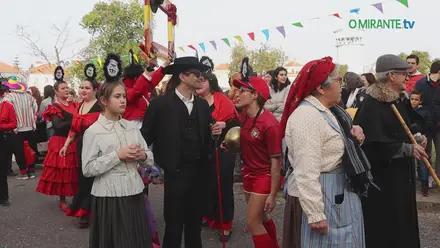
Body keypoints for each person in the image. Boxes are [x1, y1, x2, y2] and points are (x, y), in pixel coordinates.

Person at [280, 57, 373, 248]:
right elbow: (305, 170)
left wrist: (354, 137)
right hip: (321, 194)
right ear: (321, 88)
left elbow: (333, 147)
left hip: (336, 192)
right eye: (339, 80)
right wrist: (315, 214)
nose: (342, 85)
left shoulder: (329, 111)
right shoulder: (306, 116)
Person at [141, 56, 216, 248]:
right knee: (173, 225)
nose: (202, 78)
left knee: (194, 225)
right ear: (183, 76)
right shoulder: (160, 105)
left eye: (203, 74)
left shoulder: (202, 105)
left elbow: (208, 139)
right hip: (174, 173)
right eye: (197, 74)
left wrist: (217, 132)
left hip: (198, 173)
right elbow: (144, 138)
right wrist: (145, 164)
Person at [354, 54, 426, 248]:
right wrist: (406, 149)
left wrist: (418, 136)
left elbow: (411, 123)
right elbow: (372, 144)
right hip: (384, 179)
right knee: (388, 226)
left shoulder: (399, 99)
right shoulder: (371, 103)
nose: (408, 77)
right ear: (392, 76)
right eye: (404, 74)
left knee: (404, 220)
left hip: (402, 173)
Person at [82, 53, 154, 248]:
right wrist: (117, 156)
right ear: (104, 101)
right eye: (117, 97)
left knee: (136, 240)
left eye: (124, 96)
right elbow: (87, 169)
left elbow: (150, 157)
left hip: (135, 192)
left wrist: (142, 156)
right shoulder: (94, 131)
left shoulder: (131, 126)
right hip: (108, 197)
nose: (123, 100)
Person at [228, 57, 282, 248]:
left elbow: (277, 162)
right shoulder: (244, 115)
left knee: (252, 222)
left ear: (254, 95)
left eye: (243, 90)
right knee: (262, 217)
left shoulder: (269, 124)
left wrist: (273, 194)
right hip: (248, 174)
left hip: (264, 176)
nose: (238, 93)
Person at [197, 56, 239, 242]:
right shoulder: (194, 102)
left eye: (202, 80)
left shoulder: (223, 101)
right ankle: (208, 216)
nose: (198, 83)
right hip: (202, 150)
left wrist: (223, 124)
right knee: (205, 184)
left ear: (210, 82)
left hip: (223, 150)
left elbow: (236, 124)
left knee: (223, 186)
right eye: (196, 80)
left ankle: (226, 224)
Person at [62, 63, 101, 228]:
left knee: (93, 179)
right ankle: (85, 210)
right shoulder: (79, 106)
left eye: (87, 88)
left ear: (95, 90)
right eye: (81, 87)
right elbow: (73, 129)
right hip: (80, 145)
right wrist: (66, 144)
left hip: (97, 146)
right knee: (83, 177)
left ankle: (86, 212)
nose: (83, 90)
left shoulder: (101, 105)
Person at [36, 66, 78, 211]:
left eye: (67, 88)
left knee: (74, 169)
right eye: (63, 88)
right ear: (56, 91)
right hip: (60, 141)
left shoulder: (74, 104)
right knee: (62, 171)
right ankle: (62, 199)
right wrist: (75, 118)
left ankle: (76, 197)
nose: (66, 90)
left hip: (74, 139)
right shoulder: (54, 106)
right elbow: (58, 125)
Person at [3, 76, 38, 179]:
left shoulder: (8, 97)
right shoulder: (30, 97)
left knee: (19, 150)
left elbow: (6, 113)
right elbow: (36, 110)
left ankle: (23, 172)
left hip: (17, 128)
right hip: (30, 127)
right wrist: (33, 121)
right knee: (30, 149)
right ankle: (31, 170)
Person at [122, 49, 167, 128]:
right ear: (136, 78)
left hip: (145, 121)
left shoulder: (141, 86)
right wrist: (148, 70)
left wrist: (164, 66)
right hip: (133, 126)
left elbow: (152, 80)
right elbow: (136, 92)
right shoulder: (124, 91)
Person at [410, 90, 433, 196]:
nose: (413, 102)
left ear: (421, 101)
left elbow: (429, 125)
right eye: (412, 99)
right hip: (409, 139)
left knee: (423, 162)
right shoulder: (406, 110)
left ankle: (424, 186)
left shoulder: (425, 112)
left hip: (422, 139)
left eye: (416, 99)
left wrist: (423, 134)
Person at [0, 84, 17, 206]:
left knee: (1, 169)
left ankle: (3, 196)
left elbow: (13, 124)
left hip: (2, 138)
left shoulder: (7, 106)